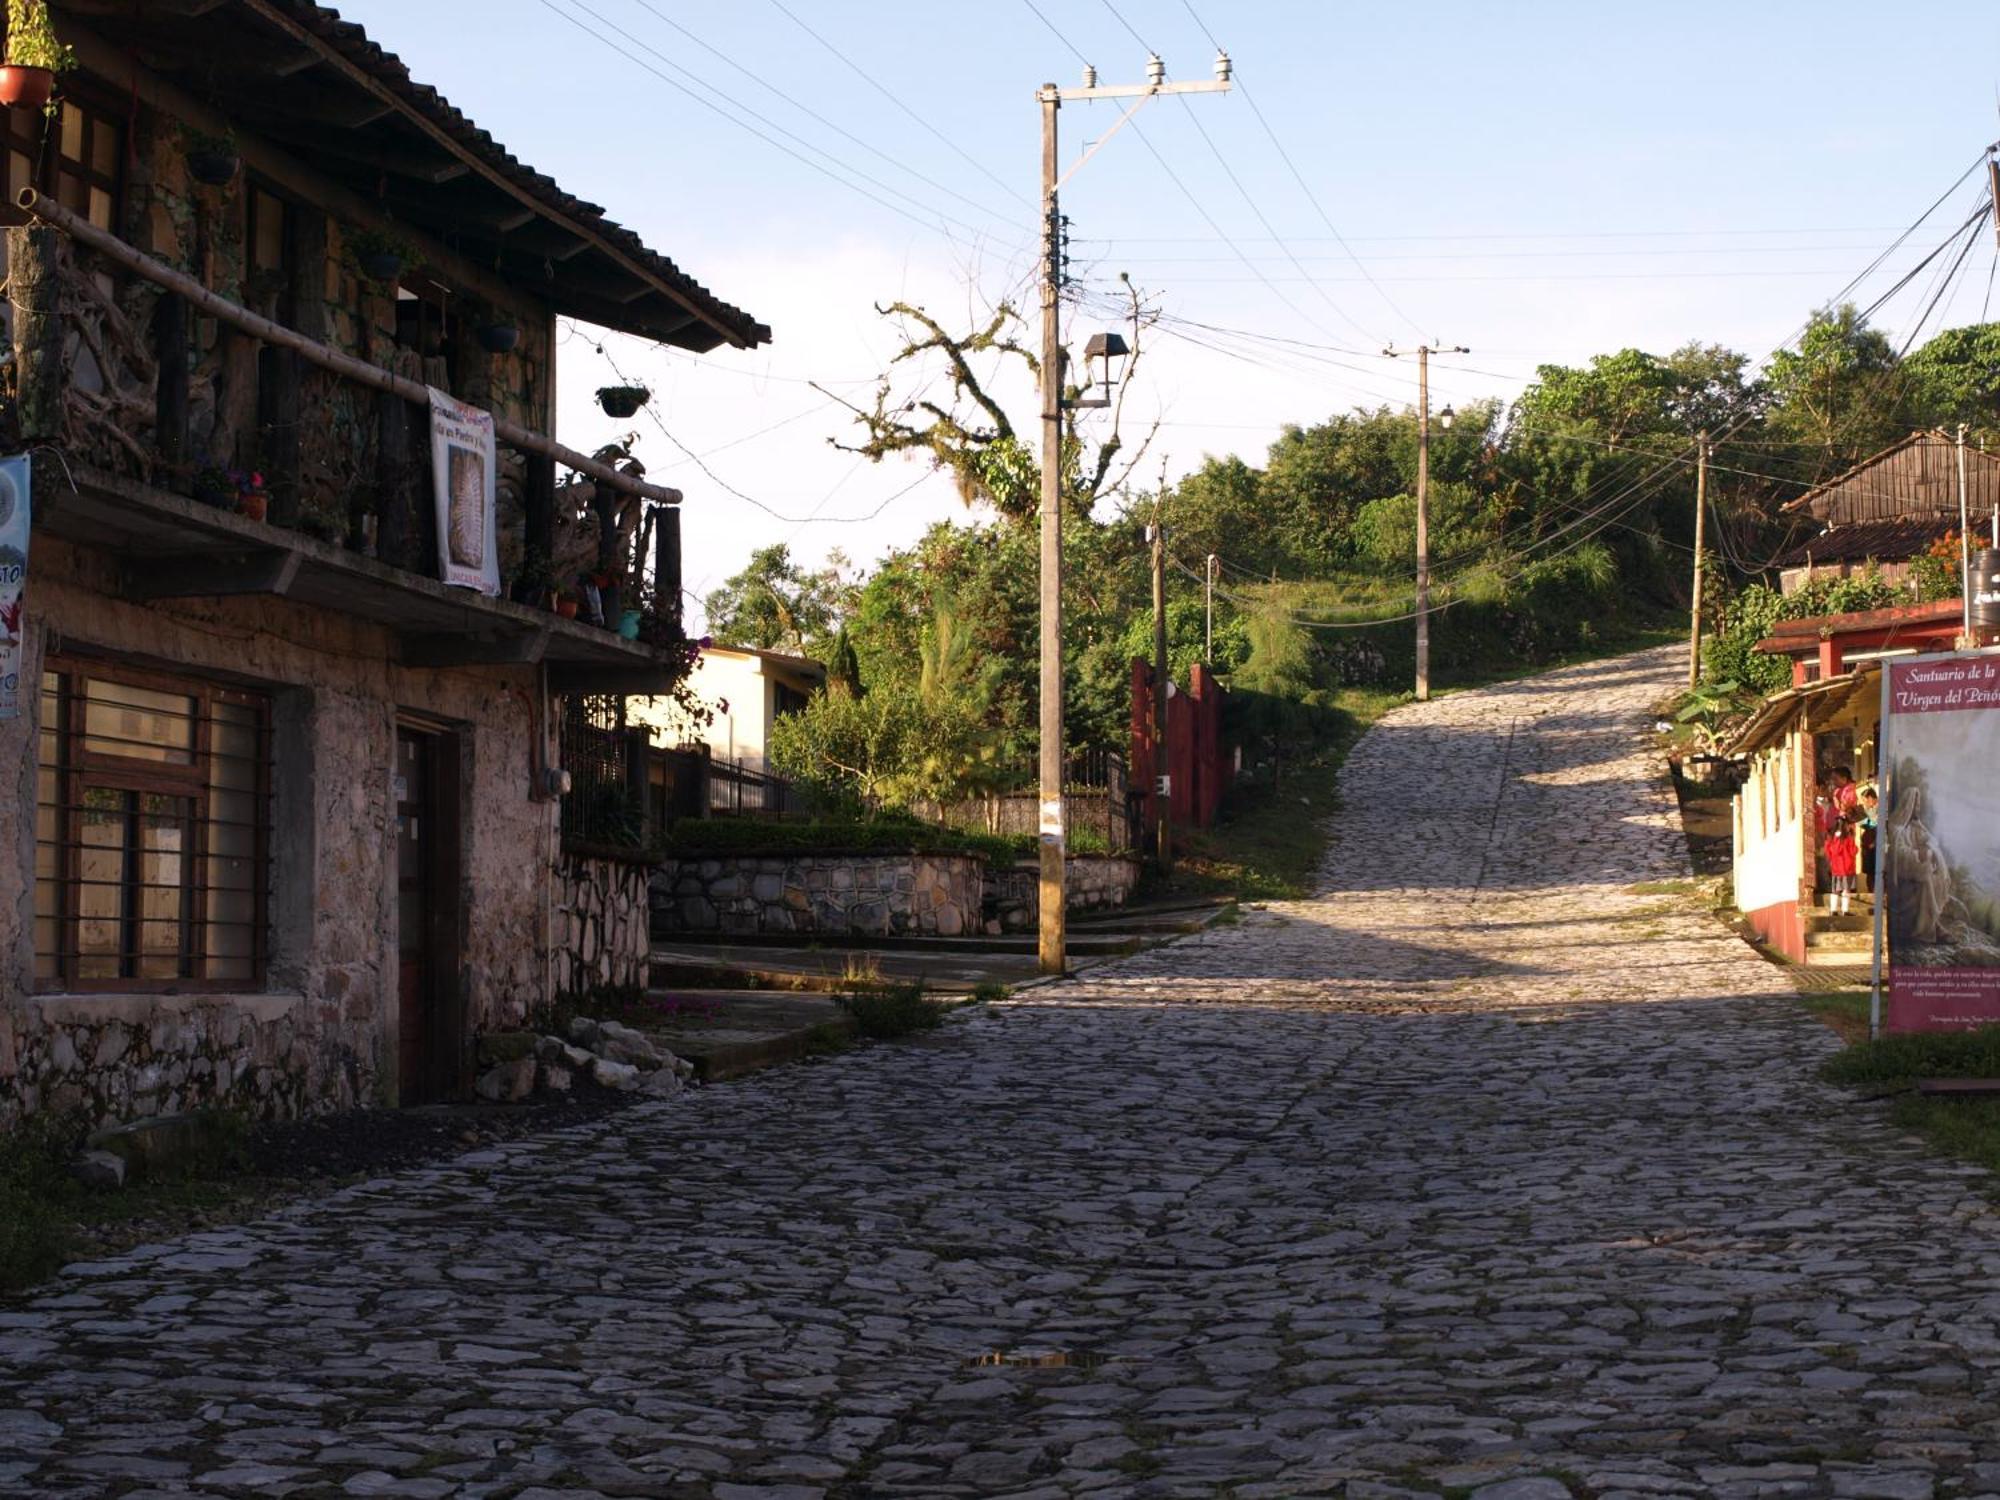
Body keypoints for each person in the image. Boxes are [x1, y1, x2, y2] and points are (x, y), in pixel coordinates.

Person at [1824, 804, 1860, 915]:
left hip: (1836, 867)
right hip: (1847, 867)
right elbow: (1853, 851)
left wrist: (1831, 860)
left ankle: (1833, 910)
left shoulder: (1832, 835)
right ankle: (1845, 910)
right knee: (1846, 889)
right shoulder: (1848, 837)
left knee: (1835, 889)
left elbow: (1828, 849)